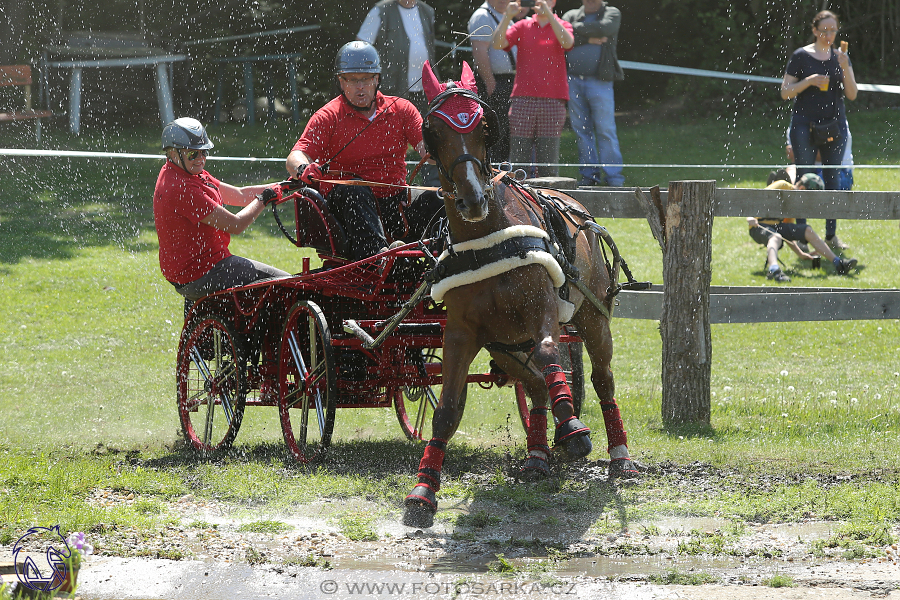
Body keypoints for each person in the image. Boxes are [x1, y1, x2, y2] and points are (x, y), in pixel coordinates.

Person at [285, 41, 443, 261]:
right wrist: (303, 167)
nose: (360, 86)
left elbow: (428, 152)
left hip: (395, 199)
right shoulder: (328, 116)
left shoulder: (402, 110)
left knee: (440, 198)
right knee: (357, 192)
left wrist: (449, 145)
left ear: (377, 79)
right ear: (341, 82)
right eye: (352, 80)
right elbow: (296, 156)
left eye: (366, 79)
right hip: (348, 203)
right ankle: (379, 260)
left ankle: (444, 257)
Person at [153, 117, 290, 305]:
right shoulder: (181, 188)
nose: (201, 159)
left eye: (204, 152)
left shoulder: (186, 172)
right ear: (172, 153)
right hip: (203, 271)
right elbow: (236, 225)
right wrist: (263, 199)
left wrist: (286, 185)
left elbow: (239, 194)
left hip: (199, 269)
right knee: (290, 285)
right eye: (193, 154)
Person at [780, 10, 857, 252]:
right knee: (804, 176)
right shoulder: (800, 56)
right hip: (804, 124)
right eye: (824, 30)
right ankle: (802, 235)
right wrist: (810, 80)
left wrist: (845, 67)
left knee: (833, 178)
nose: (829, 34)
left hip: (835, 125)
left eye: (833, 30)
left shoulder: (841, 57)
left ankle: (831, 236)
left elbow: (853, 94)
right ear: (815, 31)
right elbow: (785, 92)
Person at [492, 0, 574, 178]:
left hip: (554, 99)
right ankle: (515, 198)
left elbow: (568, 43)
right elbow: (497, 44)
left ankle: (548, 198)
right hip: (523, 99)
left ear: (553, 2)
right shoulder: (522, 25)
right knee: (518, 155)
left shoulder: (562, 24)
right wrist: (507, 16)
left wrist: (550, 16)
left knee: (548, 158)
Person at [748, 172, 857, 283]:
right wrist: (750, 217)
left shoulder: (794, 205)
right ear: (802, 188)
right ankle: (774, 270)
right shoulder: (781, 185)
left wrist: (800, 253)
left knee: (807, 230)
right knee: (776, 237)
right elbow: (758, 198)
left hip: (778, 226)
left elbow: (788, 235)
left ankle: (839, 263)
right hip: (758, 226)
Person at [562, 0, 625, 187]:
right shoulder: (571, 15)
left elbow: (605, 29)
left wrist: (575, 30)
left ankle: (614, 178)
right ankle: (589, 176)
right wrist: (588, 38)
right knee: (582, 131)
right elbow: (562, 37)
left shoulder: (612, 12)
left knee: (606, 129)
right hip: (573, 80)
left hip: (601, 81)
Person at [357, 0, 437, 109]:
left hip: (425, 89)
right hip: (392, 87)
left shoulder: (427, 10)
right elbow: (360, 48)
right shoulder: (380, 10)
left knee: (423, 125)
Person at [468, 0, 519, 163]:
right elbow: (479, 52)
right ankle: (494, 169)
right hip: (495, 82)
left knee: (506, 131)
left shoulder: (504, 15)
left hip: (507, 80)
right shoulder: (482, 16)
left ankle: (502, 171)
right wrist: (490, 83)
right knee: (496, 131)